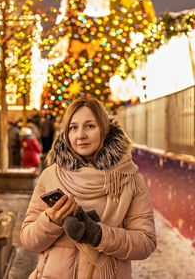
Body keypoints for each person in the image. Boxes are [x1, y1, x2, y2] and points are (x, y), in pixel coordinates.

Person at [20, 97, 156, 279]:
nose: (80, 135)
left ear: (104, 129)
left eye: (90, 126)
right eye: (73, 127)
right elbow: (29, 240)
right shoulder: (51, 175)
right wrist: (51, 221)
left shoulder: (129, 179)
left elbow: (145, 243)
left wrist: (98, 235)